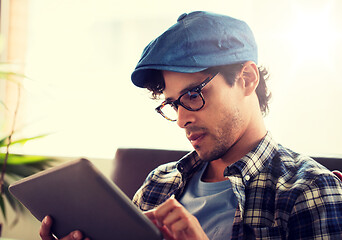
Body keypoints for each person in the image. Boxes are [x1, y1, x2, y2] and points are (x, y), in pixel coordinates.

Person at [40, 11, 342, 240]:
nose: (182, 120)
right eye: (173, 104)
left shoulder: (309, 190)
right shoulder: (157, 185)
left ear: (247, 79)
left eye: (194, 95)